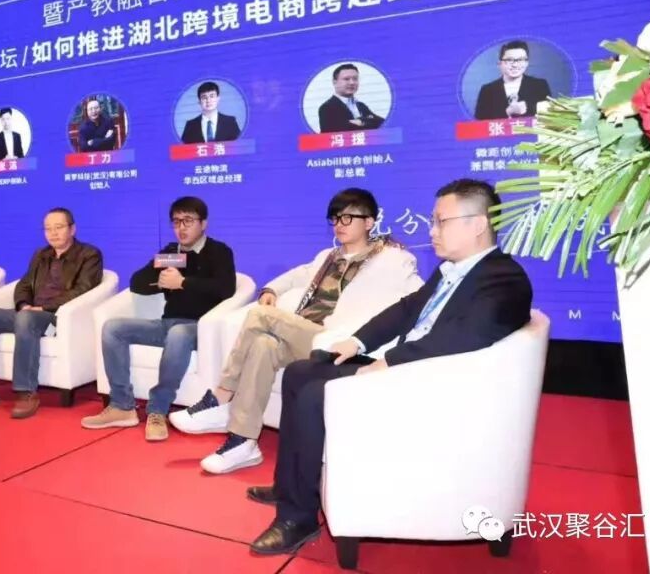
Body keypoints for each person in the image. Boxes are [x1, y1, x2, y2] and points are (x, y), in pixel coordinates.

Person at [247, 179, 533, 556]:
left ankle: (297, 518)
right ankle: (291, 486)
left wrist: (388, 362)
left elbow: (465, 338)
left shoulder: (504, 278)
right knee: (302, 372)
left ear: (478, 224)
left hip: (431, 385)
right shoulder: (454, 270)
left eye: (441, 221)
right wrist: (357, 342)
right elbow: (407, 309)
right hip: (410, 368)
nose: (431, 231)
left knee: (316, 393)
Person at [169, 189, 421, 474]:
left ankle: (221, 396)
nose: (339, 224)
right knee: (263, 345)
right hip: (308, 336)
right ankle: (243, 442)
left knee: (260, 315)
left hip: (339, 340)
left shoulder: (391, 259)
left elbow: (415, 294)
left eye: (348, 217)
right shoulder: (328, 256)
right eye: (335, 218)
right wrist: (270, 289)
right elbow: (296, 276)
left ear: (370, 222)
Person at [81, 196, 236, 441]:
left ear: (203, 223)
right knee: (113, 327)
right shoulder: (172, 254)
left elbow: (226, 289)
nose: (181, 228)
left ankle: (157, 410)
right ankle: (122, 405)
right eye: (176, 221)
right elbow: (137, 283)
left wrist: (183, 282)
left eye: (188, 221)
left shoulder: (218, 252)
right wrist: (160, 278)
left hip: (198, 328)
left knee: (178, 333)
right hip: (166, 324)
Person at [0, 208, 103, 419]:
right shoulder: (41, 255)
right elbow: (23, 285)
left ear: (72, 229)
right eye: (48, 229)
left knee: (26, 319)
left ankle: (26, 391)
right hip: (29, 315)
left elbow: (82, 290)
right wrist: (23, 304)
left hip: (56, 322)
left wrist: (44, 308)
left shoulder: (89, 255)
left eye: (58, 227)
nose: (53, 233)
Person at [474, 40, 552, 119]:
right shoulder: (487, 90)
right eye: (509, 60)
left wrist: (528, 108)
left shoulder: (539, 85)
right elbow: (480, 122)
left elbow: (550, 117)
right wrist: (507, 112)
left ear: (527, 63)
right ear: (500, 64)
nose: (515, 65)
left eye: (520, 60)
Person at [317, 64, 385, 133]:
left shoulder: (361, 105)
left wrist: (361, 121)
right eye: (346, 79)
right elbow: (343, 131)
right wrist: (367, 121)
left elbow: (381, 122)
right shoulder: (327, 108)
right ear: (335, 82)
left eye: (355, 79)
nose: (352, 83)